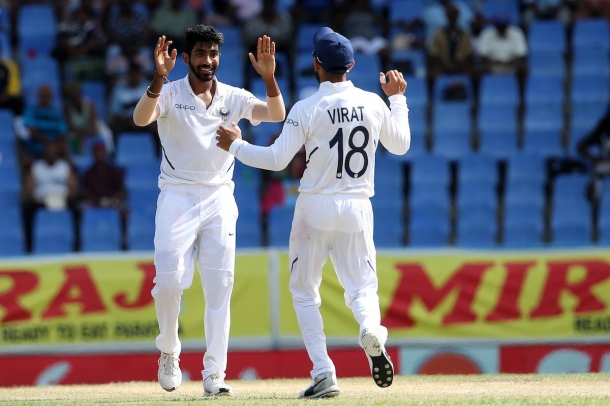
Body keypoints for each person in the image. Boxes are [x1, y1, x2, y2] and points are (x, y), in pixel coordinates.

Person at [216, 27, 410, 398]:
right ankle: (370, 329)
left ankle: (324, 372)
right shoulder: (372, 102)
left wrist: (236, 146)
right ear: (351, 66)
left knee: (305, 292)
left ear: (316, 65)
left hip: (314, 206)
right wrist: (397, 100)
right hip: (357, 205)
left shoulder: (307, 107)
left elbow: (276, 160)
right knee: (362, 288)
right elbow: (400, 145)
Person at [132, 25, 286, 397]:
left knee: (219, 288)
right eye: (200, 53)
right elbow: (140, 119)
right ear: (186, 58)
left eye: (213, 54)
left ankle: (214, 374)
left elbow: (276, 113)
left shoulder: (234, 96)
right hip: (177, 196)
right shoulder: (170, 92)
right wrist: (158, 77)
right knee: (168, 283)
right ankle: (169, 350)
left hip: (219, 197)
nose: (208, 60)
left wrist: (269, 79)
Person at [21, 140, 79, 252]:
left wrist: (62, 199)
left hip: (62, 200)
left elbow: (73, 189)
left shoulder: (64, 167)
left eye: (53, 152)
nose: (51, 154)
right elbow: (28, 190)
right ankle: (29, 245)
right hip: (40, 202)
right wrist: (39, 201)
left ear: (57, 153)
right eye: (48, 152)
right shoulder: (36, 167)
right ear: (44, 153)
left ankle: (76, 244)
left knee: (77, 210)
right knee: (26, 209)